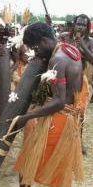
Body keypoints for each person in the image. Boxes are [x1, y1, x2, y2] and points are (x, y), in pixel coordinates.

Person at [14, 22, 84, 187]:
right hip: (69, 118)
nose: (36, 53)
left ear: (45, 41)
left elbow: (59, 101)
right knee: (56, 174)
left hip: (58, 121)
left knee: (27, 165)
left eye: (36, 48)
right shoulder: (66, 48)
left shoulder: (57, 59)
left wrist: (27, 116)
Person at [59, 14, 93, 154]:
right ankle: (60, 139)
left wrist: (83, 46)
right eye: (78, 24)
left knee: (79, 111)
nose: (80, 27)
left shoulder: (90, 41)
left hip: (80, 81)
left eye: (83, 25)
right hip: (63, 79)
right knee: (62, 108)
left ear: (87, 27)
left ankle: (78, 140)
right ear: (74, 24)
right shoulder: (64, 37)